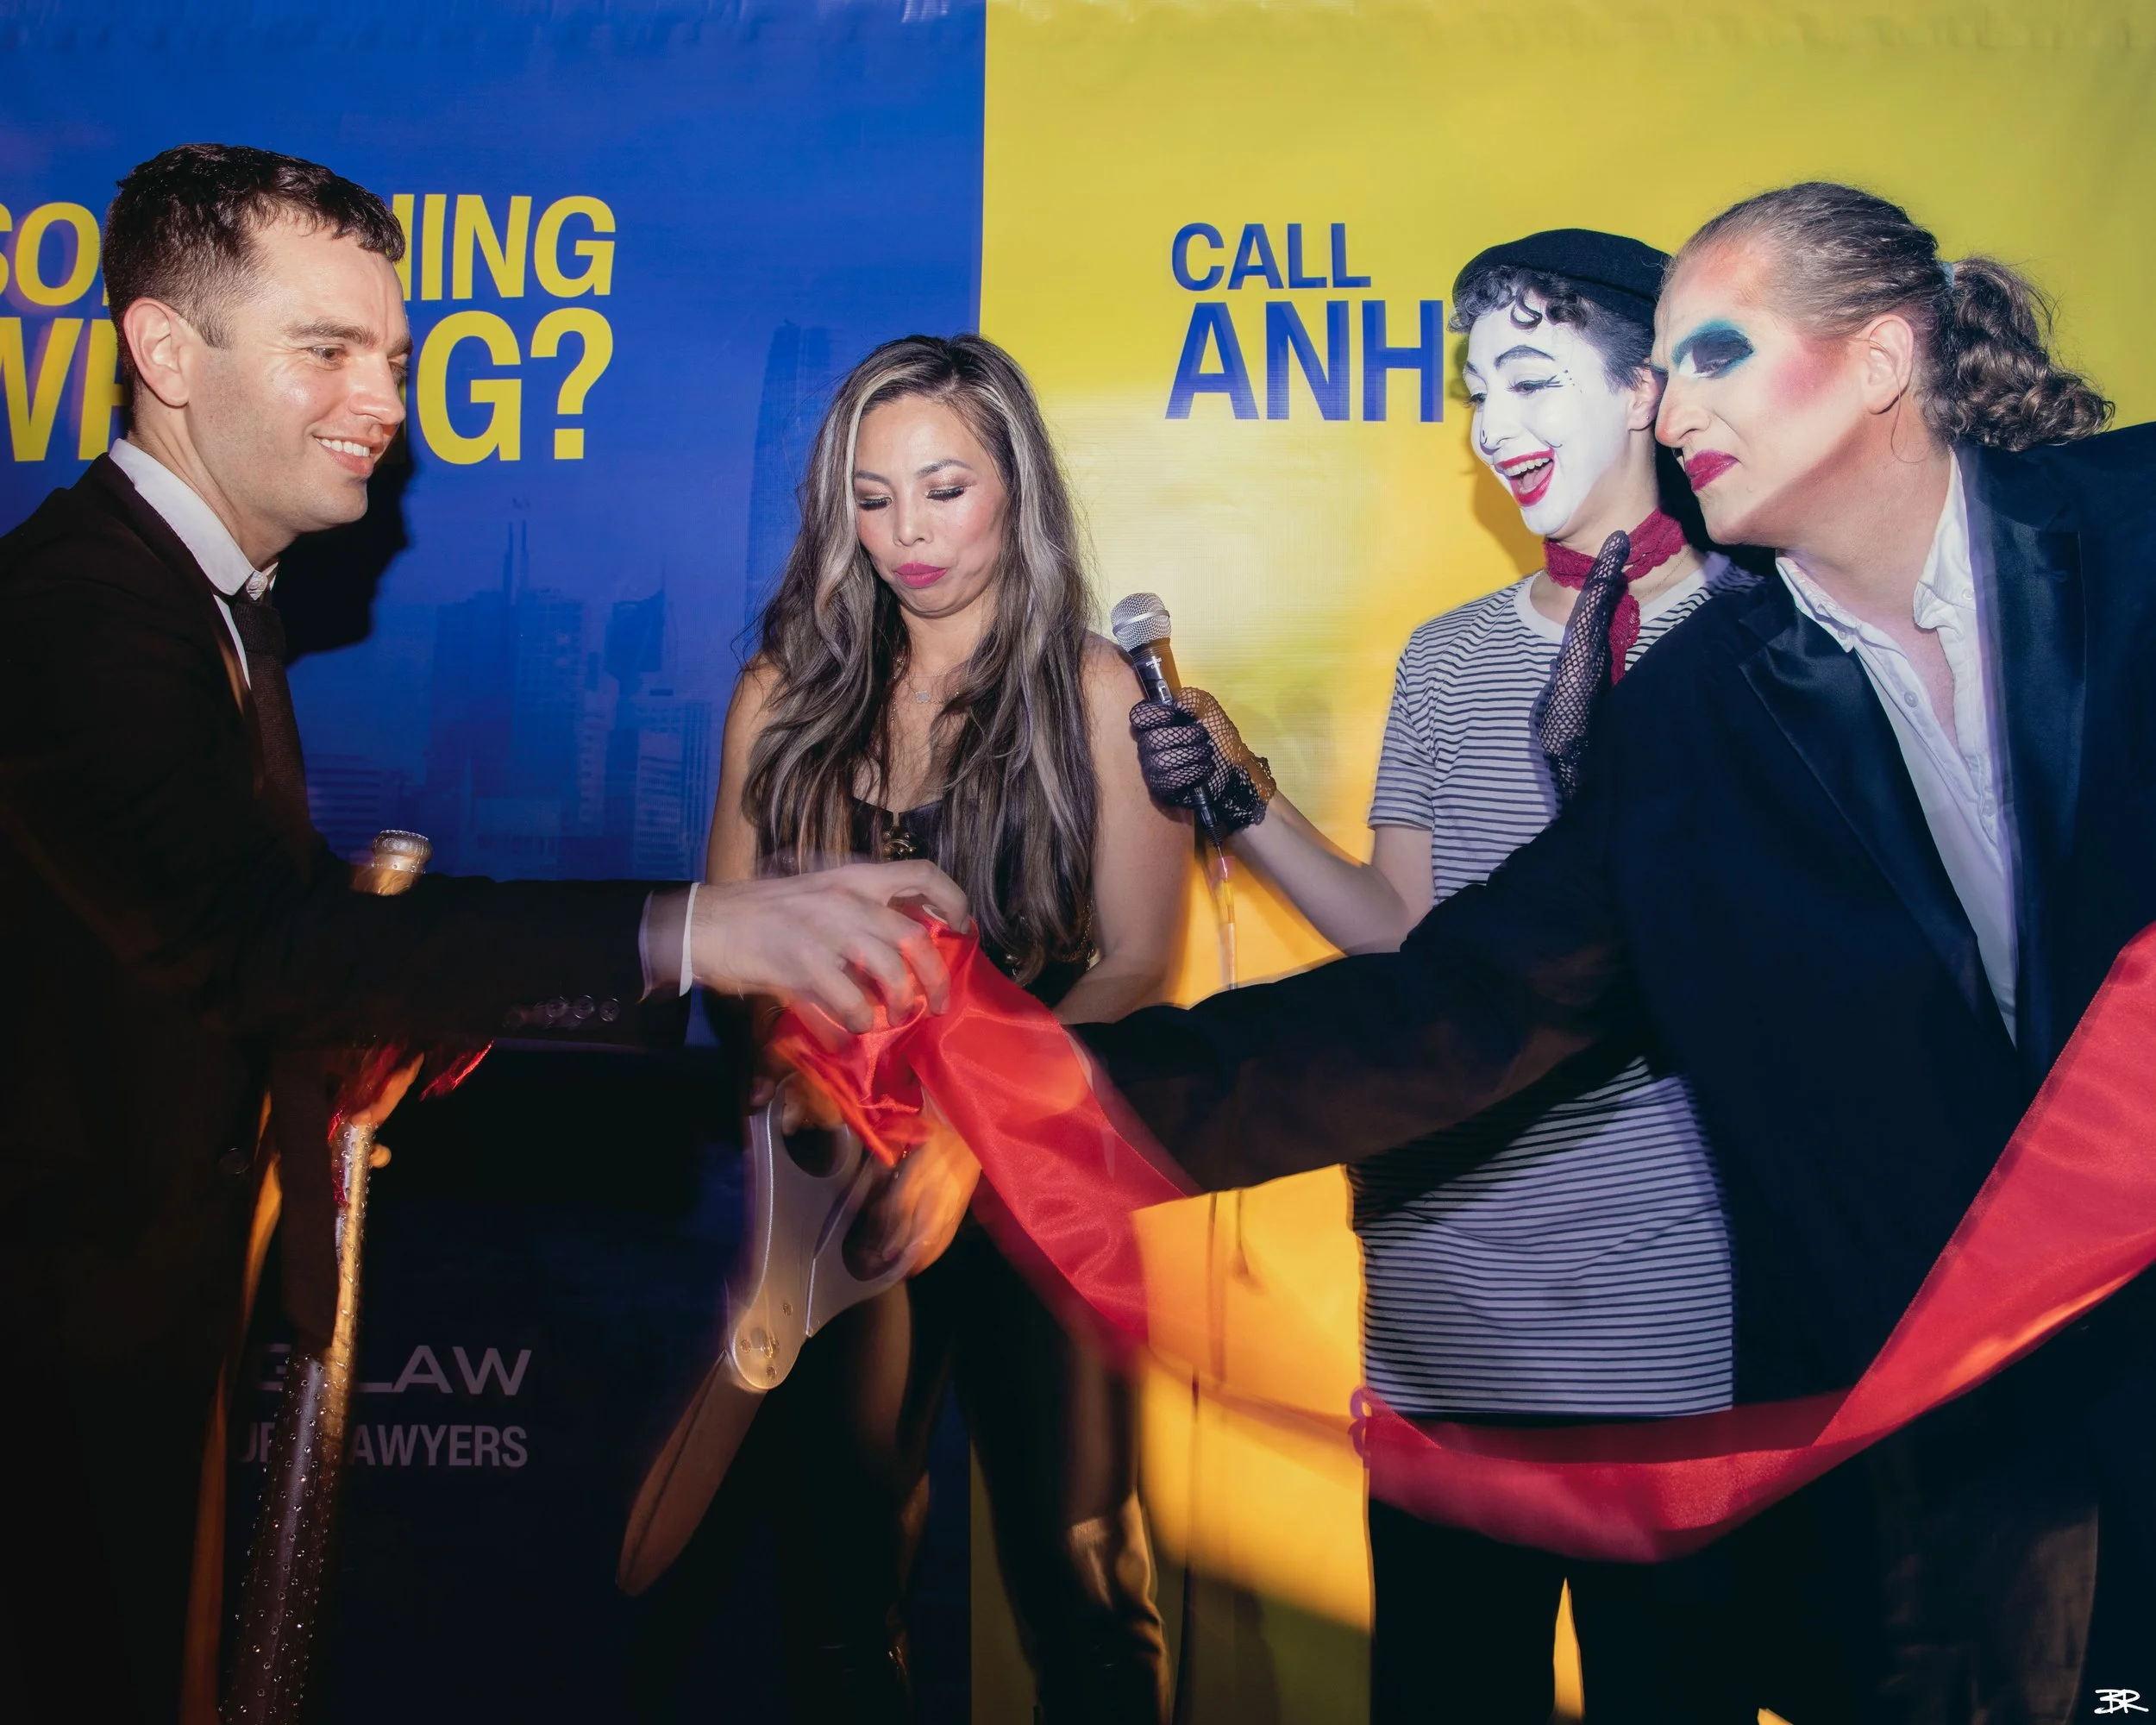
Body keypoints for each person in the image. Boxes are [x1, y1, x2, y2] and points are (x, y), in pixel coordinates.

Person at [1094, 181, 2149, 1718]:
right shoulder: (1697, 713)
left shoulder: (2126, 535)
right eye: (1665, 366)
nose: (1674, 402)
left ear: (1879, 359)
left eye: (1713, 354)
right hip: (1945, 1471)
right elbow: (1453, 997)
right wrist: (1028, 1091)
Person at [0, 144, 962, 1725]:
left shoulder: (205, 606)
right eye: (327, 350)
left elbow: (226, 943)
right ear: (165, 351)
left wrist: (377, 1025)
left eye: (394, 356)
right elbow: (257, 938)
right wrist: (695, 930)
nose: (383, 400)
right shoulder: (76, 614)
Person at [1135, 229, 1778, 1722]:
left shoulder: (1768, 643)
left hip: (1672, 1323)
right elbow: (1404, 946)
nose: (1495, 425)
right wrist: (1239, 791)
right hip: (1440, 1318)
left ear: (1649, 390)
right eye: (1478, 390)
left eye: (1533, 379)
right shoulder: (1450, 658)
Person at [669, 333, 1189, 1722]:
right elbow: (731, 945)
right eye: (874, 495)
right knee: (836, 1611)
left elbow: (1141, 964)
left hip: (1038, 1180)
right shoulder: (782, 693)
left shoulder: (1096, 690)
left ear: (1018, 487)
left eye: (945, 489)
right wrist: (794, 1076)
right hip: (838, 1196)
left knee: (1088, 1603)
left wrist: (971, 1132)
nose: (907, 532)